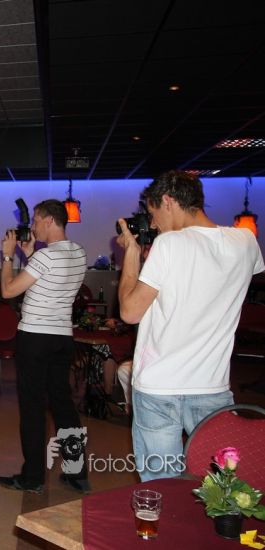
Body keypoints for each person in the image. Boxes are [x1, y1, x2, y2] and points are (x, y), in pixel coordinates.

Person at [117, 170, 264, 481]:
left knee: (163, 484)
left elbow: (130, 312)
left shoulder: (169, 244)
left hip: (158, 387)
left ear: (168, 201)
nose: (153, 224)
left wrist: (131, 253)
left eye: (153, 213)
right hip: (212, 386)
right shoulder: (246, 241)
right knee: (220, 488)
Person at [0, 199, 89, 494]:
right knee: (63, 404)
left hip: (35, 337)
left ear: (49, 220)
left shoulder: (46, 257)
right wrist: (29, 255)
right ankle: (76, 472)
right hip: (62, 338)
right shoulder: (78, 253)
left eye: (36, 220)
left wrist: (8, 256)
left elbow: (8, 290)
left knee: (32, 407)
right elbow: (48, 281)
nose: (33, 226)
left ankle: (33, 477)